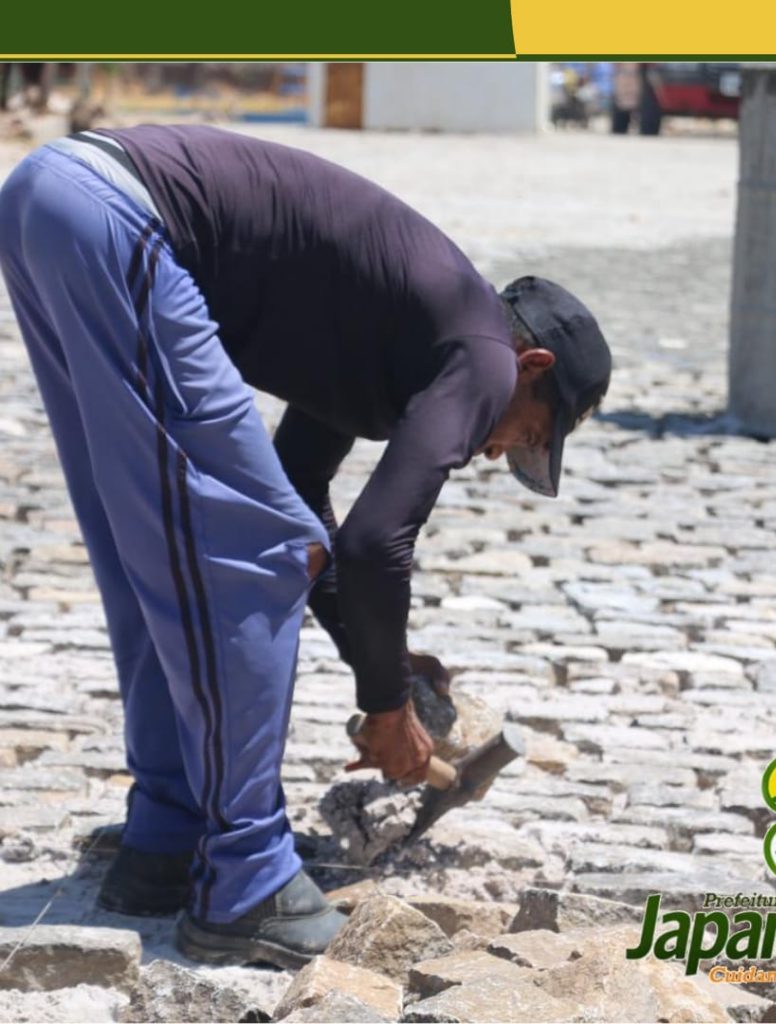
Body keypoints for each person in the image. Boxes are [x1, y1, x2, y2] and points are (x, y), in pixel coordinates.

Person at [0, 125, 611, 968]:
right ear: (531, 365)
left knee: (163, 546)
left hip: (54, 199)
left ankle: (169, 836)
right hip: (120, 217)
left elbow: (307, 500)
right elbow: (371, 544)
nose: (500, 451)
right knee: (255, 552)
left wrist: (381, 661)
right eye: (530, 434)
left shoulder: (408, 333)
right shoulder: (481, 358)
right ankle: (246, 879)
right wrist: (387, 707)